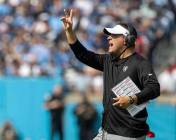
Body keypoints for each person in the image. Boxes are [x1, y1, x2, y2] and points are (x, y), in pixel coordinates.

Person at [61, 9, 160, 140]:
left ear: (126, 39)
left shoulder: (140, 63)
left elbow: (154, 88)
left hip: (127, 134)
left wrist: (131, 99)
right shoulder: (108, 60)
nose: (108, 37)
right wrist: (69, 31)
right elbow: (82, 55)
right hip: (105, 131)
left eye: (114, 35)